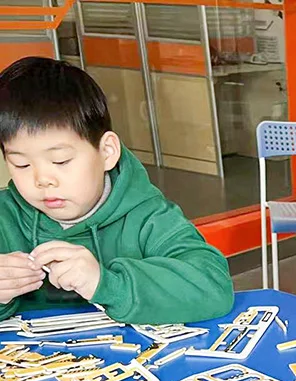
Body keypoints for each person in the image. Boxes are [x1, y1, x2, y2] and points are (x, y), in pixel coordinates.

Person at [0, 57, 234, 324]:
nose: (42, 179)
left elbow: (213, 287)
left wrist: (107, 283)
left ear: (107, 152)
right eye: (21, 164)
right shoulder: (5, 216)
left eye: (61, 161)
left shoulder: (148, 216)